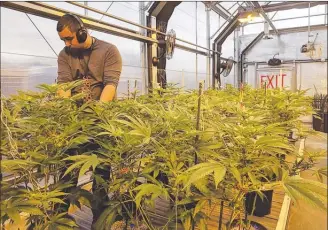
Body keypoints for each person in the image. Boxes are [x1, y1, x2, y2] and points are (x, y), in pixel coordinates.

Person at [55, 13, 122, 228]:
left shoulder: (109, 51)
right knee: (66, 174)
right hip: (75, 125)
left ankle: (99, 222)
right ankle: (58, 220)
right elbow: (64, 85)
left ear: (82, 32)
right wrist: (67, 115)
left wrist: (97, 115)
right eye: (63, 40)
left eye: (69, 38)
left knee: (101, 178)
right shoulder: (65, 54)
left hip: (101, 124)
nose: (67, 44)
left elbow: (110, 85)